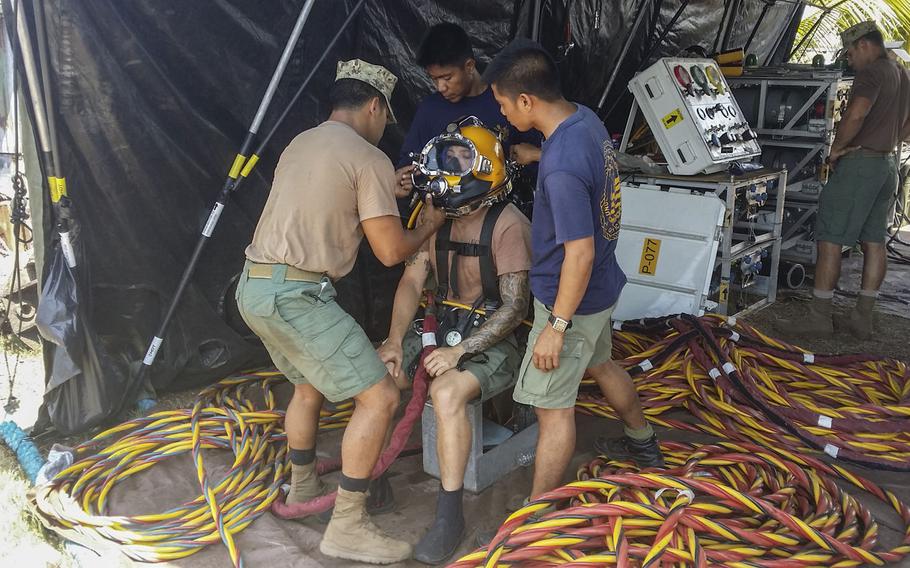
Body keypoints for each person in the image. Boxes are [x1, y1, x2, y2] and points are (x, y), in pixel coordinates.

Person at [236, 59, 445, 565]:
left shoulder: (303, 142)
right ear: (375, 106)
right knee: (378, 397)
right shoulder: (368, 156)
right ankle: (348, 525)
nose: (382, 127)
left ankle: (303, 487)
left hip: (255, 288)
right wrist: (432, 221)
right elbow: (392, 251)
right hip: (297, 296)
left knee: (308, 386)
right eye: (384, 117)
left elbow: (326, 198)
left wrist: (383, 186)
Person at [483, 39, 664, 502]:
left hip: (571, 300)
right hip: (602, 288)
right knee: (602, 364)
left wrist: (556, 328)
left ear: (526, 100)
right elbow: (584, 172)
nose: (503, 116)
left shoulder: (562, 167)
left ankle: (535, 512)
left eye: (504, 105)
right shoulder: (583, 121)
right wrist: (538, 157)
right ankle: (644, 444)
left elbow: (577, 254)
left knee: (553, 410)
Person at [378, 120, 532, 564]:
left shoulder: (509, 225)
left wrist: (460, 351)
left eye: (460, 160)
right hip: (439, 324)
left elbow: (515, 307)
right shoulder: (431, 219)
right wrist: (392, 341)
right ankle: (373, 480)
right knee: (378, 377)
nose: (448, 170)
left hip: (493, 338)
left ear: (486, 170)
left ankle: (450, 515)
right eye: (445, 160)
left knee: (447, 394)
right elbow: (411, 281)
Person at [781, 21, 910, 340]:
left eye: (851, 52)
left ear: (865, 45)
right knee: (874, 242)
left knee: (830, 241)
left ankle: (819, 317)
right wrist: (890, 141)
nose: (849, 60)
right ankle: (862, 318)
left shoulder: (871, 73)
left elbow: (855, 114)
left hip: (859, 165)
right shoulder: (901, 72)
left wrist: (837, 149)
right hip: (886, 165)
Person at [394, 23, 541, 199]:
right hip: (443, 216)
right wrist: (406, 178)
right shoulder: (430, 109)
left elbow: (534, 157)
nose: (440, 87)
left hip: (500, 213)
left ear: (469, 66)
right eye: (434, 79)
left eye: (447, 77)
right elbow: (408, 165)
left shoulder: (504, 102)